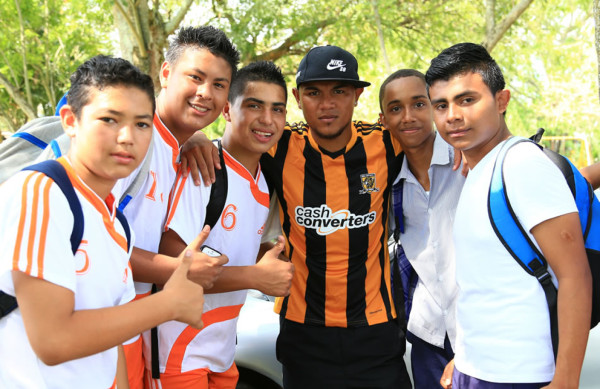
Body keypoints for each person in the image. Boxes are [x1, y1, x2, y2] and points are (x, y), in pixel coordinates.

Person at [0, 55, 206, 388]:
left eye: (141, 124)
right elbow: (52, 341)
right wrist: (168, 305)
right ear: (70, 120)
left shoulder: (116, 222)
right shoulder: (41, 191)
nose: (127, 137)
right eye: (110, 119)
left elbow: (113, 343)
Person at [426, 42, 592, 388]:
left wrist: (566, 381)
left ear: (502, 101)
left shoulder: (521, 164)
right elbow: (489, 285)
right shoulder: (477, 171)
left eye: (467, 100)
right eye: (441, 105)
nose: (452, 115)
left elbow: (575, 276)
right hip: (477, 370)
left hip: (522, 375)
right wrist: (465, 358)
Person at [258, 45, 412, 388]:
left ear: (357, 95)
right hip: (303, 331)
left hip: (375, 329)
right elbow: (224, 143)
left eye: (339, 91)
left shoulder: (388, 144)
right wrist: (197, 139)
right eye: (314, 92)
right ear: (297, 98)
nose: (326, 104)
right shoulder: (277, 147)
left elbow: (441, 139)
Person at [110, 26, 239, 388]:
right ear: (165, 74)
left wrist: (197, 138)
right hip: (95, 329)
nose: (205, 93)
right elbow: (96, 244)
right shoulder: (131, 141)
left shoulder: (179, 149)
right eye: (195, 77)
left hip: (131, 328)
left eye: (218, 84)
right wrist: (181, 269)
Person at [151, 60, 293, 388]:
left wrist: (270, 258)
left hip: (224, 351)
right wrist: (256, 277)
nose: (267, 120)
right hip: (178, 354)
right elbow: (174, 264)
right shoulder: (203, 168)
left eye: (278, 109)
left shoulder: (266, 180)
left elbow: (242, 247)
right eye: (254, 106)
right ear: (228, 109)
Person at [379, 69, 463, 388]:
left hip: (485, 332)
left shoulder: (468, 161)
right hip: (431, 338)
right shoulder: (388, 182)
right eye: (396, 108)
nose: (408, 116)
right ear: (383, 119)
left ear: (435, 107)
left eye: (418, 104)